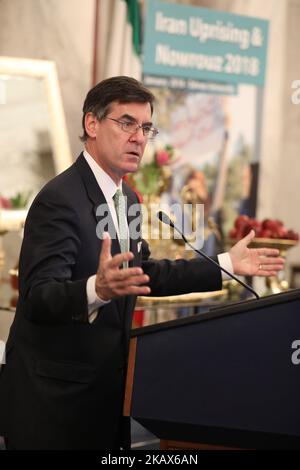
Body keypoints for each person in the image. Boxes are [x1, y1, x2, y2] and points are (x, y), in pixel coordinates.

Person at [0, 76, 284, 450]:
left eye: (146, 127)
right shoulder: (60, 199)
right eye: (127, 123)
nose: (139, 137)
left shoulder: (128, 200)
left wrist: (226, 262)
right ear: (92, 124)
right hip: (56, 404)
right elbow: (38, 297)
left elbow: (143, 273)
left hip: (106, 397)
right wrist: (96, 289)